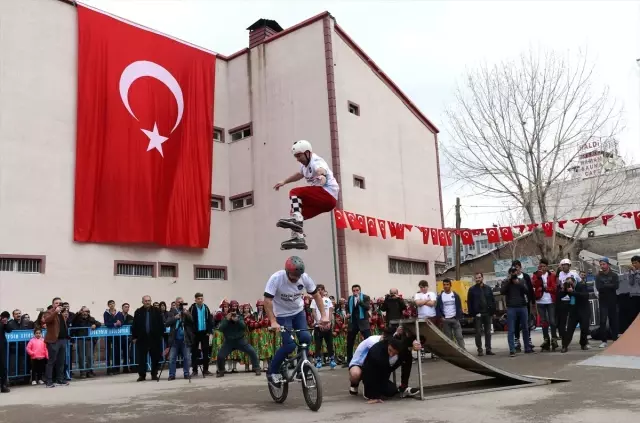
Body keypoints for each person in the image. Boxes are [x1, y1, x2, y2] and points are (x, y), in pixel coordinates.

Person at [263, 256, 330, 385]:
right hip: (282, 315)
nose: (296, 279)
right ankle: (272, 372)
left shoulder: (304, 278)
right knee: (290, 345)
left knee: (305, 338)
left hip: (298, 312)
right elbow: (267, 301)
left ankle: (302, 369)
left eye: (298, 276)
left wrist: (324, 316)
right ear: (287, 271)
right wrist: (273, 321)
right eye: (293, 276)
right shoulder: (276, 278)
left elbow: (316, 295)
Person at [273, 140, 340, 250]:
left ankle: (298, 221)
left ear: (307, 153)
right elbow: (299, 175)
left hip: (328, 194)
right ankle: (298, 238)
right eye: (296, 157)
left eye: (299, 156)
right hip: (325, 203)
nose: (298, 159)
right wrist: (284, 181)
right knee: (294, 212)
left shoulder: (316, 161)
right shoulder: (304, 166)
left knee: (295, 192)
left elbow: (320, 169)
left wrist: (322, 176)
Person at [348, 327, 420, 399]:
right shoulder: (373, 343)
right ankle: (355, 384)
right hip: (360, 364)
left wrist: (413, 343)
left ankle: (401, 387)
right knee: (356, 374)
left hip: (375, 365)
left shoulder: (391, 344)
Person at [215, 306, 261, 377]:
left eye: (234, 313)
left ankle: (257, 368)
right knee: (220, 356)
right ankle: (221, 371)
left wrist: (237, 320)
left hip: (240, 340)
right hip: (229, 342)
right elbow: (221, 328)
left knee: (252, 351)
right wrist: (227, 319)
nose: (233, 315)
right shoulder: (225, 319)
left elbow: (243, 326)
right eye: (231, 313)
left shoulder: (240, 318)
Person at [131, 295, 165, 382]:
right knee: (141, 358)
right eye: (145, 301)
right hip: (142, 339)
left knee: (155, 357)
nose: (147, 302)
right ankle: (142, 375)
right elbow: (134, 325)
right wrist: (134, 337)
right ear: (142, 302)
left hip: (154, 338)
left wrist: (161, 335)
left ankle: (154, 374)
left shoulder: (156, 311)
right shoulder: (138, 312)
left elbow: (161, 324)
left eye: (149, 300)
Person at [501, 270, 534, 356]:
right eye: (512, 273)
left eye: (515, 272)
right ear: (509, 274)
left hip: (522, 306)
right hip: (511, 307)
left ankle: (527, 348)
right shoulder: (506, 282)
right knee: (511, 329)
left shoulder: (521, 281)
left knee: (525, 328)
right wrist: (509, 281)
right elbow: (502, 291)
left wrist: (518, 282)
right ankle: (512, 350)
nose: (513, 275)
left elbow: (527, 291)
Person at [42, 297, 70, 388]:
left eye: (60, 303)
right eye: (56, 303)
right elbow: (46, 320)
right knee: (51, 361)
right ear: (53, 304)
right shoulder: (49, 312)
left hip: (62, 340)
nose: (58, 304)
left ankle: (60, 379)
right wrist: (55, 312)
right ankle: (48, 381)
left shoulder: (61, 314)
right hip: (53, 340)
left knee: (61, 361)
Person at [532, 259, 559, 352]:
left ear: (547, 267)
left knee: (552, 320)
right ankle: (546, 340)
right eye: (541, 266)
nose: (542, 268)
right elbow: (534, 285)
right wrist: (538, 277)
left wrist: (547, 289)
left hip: (550, 300)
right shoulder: (536, 275)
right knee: (543, 321)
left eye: (544, 266)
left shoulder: (552, 275)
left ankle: (554, 339)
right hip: (540, 301)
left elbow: (555, 288)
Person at [467, 272, 496, 356]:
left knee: (488, 332)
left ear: (482, 278)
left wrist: (493, 312)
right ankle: (479, 349)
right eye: (476, 278)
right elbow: (469, 302)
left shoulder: (488, 288)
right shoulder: (472, 289)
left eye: (479, 277)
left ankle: (488, 349)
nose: (478, 279)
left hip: (487, 313)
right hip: (477, 314)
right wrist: (472, 314)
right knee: (478, 332)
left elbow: (492, 300)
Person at [165, 297, 193, 380]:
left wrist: (187, 314)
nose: (180, 304)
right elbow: (167, 323)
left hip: (185, 338)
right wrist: (175, 318)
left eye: (182, 302)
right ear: (176, 303)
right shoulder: (171, 312)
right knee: (172, 358)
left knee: (187, 357)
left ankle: (186, 373)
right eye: (178, 302)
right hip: (174, 339)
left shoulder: (186, 311)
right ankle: (172, 374)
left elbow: (192, 321)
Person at [560, 276, 591, 352]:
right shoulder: (567, 287)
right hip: (573, 311)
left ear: (574, 282)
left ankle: (583, 344)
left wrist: (573, 292)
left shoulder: (581, 285)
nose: (569, 285)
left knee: (584, 328)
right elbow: (561, 296)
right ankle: (565, 345)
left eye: (570, 283)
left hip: (584, 310)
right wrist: (563, 290)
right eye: (568, 283)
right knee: (569, 329)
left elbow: (585, 296)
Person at [310, 284, 336, 369]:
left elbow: (330, 312)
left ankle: (332, 360)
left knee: (329, 344)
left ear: (324, 290)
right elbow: (313, 312)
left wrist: (328, 322)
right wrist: (318, 323)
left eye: (321, 289)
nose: (320, 291)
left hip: (327, 325)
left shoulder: (327, 300)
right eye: (318, 290)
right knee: (318, 345)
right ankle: (318, 361)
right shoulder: (314, 301)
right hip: (318, 326)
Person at [511, 260, 535, 352]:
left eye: (517, 266)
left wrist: (532, 301)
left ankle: (528, 340)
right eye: (514, 267)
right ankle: (516, 341)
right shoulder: (512, 278)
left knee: (526, 322)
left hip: (525, 303)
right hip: (516, 304)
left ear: (520, 267)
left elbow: (530, 290)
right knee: (516, 322)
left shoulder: (526, 277)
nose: (516, 268)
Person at [188, 293, 214, 376]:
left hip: (204, 333)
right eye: (198, 298)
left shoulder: (206, 308)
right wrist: (192, 332)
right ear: (195, 300)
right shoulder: (192, 308)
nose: (200, 300)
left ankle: (205, 369)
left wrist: (209, 331)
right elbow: (189, 321)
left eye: (201, 298)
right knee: (194, 352)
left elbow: (209, 320)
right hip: (195, 333)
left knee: (206, 351)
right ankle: (194, 370)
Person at [345, 284, 372, 366]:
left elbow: (367, 307)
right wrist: (348, 314)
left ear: (360, 290)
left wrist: (359, 301)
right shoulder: (350, 298)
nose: (355, 292)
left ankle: (370, 359)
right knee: (350, 342)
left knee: (368, 341)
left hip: (363, 322)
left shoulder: (365, 297)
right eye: (354, 290)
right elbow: (347, 308)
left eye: (357, 290)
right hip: (353, 322)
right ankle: (349, 361)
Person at [596, 257, 620, 348]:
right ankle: (604, 341)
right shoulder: (598, 276)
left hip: (612, 300)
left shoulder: (614, 275)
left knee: (613, 320)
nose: (602, 266)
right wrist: (609, 285)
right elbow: (599, 287)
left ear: (608, 264)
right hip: (603, 301)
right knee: (602, 321)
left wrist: (605, 285)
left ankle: (615, 339)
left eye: (603, 264)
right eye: (601, 264)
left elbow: (616, 286)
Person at [436, 279, 465, 348]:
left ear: (450, 285)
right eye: (444, 285)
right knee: (449, 339)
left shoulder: (455, 295)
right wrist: (441, 318)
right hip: (446, 320)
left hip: (455, 319)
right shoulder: (440, 297)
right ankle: (453, 352)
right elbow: (437, 308)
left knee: (459, 337)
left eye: (447, 284)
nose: (446, 286)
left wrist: (458, 316)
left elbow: (459, 306)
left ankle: (463, 351)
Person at [414, 280, 438, 360]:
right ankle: (422, 353)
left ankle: (433, 352)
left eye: (424, 287)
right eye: (421, 287)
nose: (423, 289)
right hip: (421, 318)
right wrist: (427, 300)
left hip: (431, 317)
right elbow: (418, 304)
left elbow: (432, 304)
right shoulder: (417, 294)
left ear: (427, 287)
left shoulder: (432, 294)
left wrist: (422, 302)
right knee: (422, 336)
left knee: (432, 335)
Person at [103, 300, 124, 375]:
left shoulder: (119, 313)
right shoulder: (106, 313)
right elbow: (106, 323)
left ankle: (116, 368)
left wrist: (119, 323)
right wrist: (114, 324)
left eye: (113, 303)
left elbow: (122, 321)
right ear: (108, 305)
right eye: (110, 304)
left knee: (117, 351)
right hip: (109, 335)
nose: (112, 305)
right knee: (109, 352)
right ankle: (109, 368)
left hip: (117, 335)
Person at [0, 311, 12, 393]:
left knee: (3, 366)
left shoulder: (2, 322)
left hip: (1, 347)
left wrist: (5, 323)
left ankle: (3, 386)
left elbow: (9, 330)